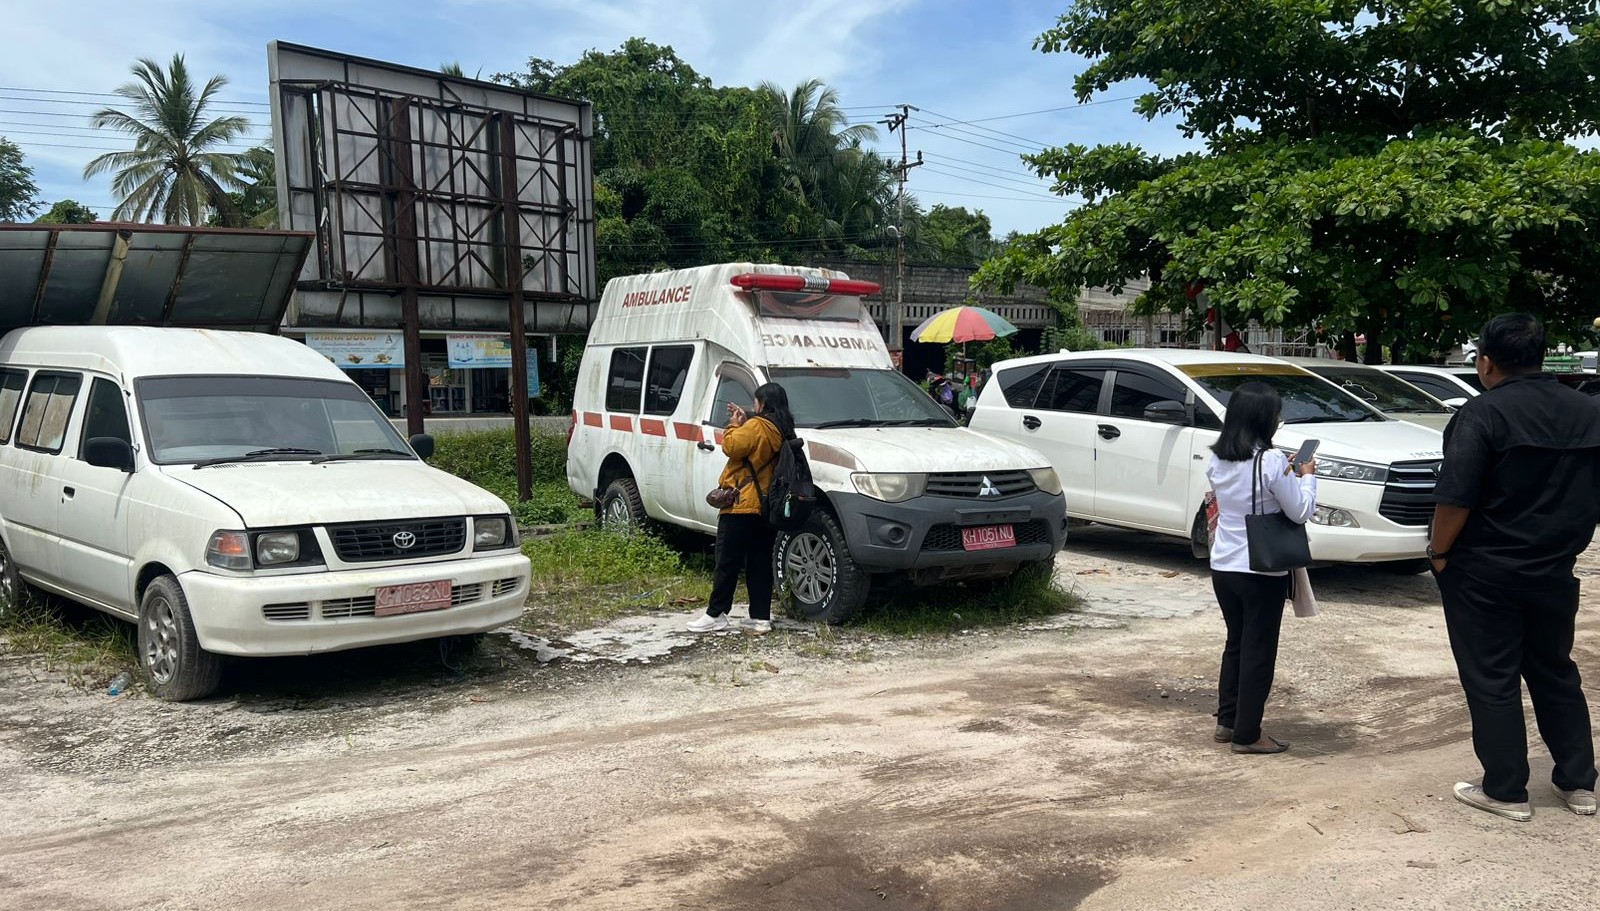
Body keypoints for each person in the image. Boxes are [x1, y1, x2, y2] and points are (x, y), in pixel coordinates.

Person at [1428, 313, 1600, 821]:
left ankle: (1505, 791)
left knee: (1492, 678)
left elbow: (1455, 498)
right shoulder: (1589, 412)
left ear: (1485, 361)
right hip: (1554, 568)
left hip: (1484, 571)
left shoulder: (1483, 414)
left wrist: (1438, 554)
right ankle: (1579, 784)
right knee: (1555, 672)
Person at [1205, 382, 1317, 754]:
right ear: (1264, 420)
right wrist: (1307, 475)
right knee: (1259, 650)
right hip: (1262, 569)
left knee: (1236, 643)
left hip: (1224, 564)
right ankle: (1248, 734)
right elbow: (1300, 510)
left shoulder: (1216, 458)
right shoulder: (1269, 461)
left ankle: (1227, 721)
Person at [686, 383, 793, 635]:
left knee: (727, 560)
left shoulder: (757, 426)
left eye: (755, 403)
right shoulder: (782, 428)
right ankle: (760, 618)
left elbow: (733, 446)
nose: (753, 407)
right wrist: (747, 421)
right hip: (765, 505)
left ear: (763, 403)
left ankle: (716, 614)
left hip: (742, 503)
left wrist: (734, 425)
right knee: (759, 562)